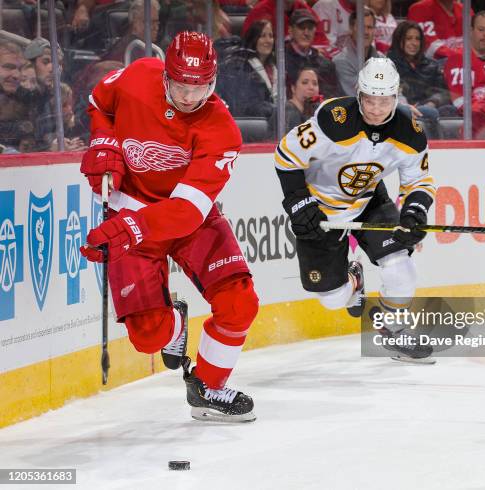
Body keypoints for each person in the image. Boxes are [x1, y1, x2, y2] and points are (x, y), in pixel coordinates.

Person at [79, 31, 259, 422]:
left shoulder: (221, 130)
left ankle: (208, 388)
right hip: (131, 211)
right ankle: (173, 321)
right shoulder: (137, 74)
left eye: (202, 87)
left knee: (239, 303)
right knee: (149, 337)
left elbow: (187, 211)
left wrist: (132, 228)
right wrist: (104, 142)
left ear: (213, 81)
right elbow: (98, 103)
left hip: (186, 221)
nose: (190, 97)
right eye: (181, 85)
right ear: (166, 76)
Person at [274, 57, 436, 361]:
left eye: (384, 100)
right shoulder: (332, 119)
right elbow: (286, 155)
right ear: (359, 94)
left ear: (396, 97)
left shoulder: (410, 130)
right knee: (334, 299)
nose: (376, 108)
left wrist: (414, 212)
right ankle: (355, 280)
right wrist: (298, 202)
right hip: (319, 211)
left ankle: (394, 331)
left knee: (401, 267)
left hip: (368, 201)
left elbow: (420, 181)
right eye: (370, 100)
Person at [387, 21, 451, 138]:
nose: (414, 43)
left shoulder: (431, 65)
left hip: (428, 107)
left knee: (448, 111)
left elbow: (444, 93)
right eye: (409, 38)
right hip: (402, 109)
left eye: (417, 39)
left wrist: (432, 102)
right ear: (399, 40)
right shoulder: (387, 64)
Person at [443, 11, 485, 113]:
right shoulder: (458, 59)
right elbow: (461, 102)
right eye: (481, 30)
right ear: (471, 31)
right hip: (476, 120)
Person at [218, 19, 277, 121]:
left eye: (271, 36)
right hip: (253, 124)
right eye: (263, 36)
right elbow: (245, 106)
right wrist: (274, 110)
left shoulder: (275, 68)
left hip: (273, 122)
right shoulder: (241, 67)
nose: (268, 40)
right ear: (254, 38)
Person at [285, 9, 340, 99]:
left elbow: (333, 98)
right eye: (301, 27)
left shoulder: (326, 65)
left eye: (310, 28)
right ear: (290, 30)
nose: (306, 33)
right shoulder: (281, 60)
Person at [333, 7, 382, 96]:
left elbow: (395, 88)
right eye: (362, 27)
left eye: (370, 27)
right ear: (351, 29)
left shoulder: (382, 59)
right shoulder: (341, 61)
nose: (366, 32)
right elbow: (360, 95)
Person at [407, 0, 473, 59]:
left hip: (465, 64)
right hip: (432, 67)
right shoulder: (419, 9)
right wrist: (465, 56)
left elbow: (477, 44)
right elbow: (430, 48)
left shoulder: (466, 11)